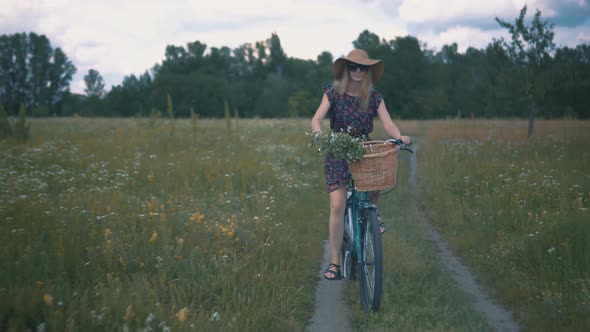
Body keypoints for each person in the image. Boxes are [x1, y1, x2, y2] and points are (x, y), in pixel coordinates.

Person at [310, 49, 411, 280]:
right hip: (337, 148)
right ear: (346, 69)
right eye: (353, 67)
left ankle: (372, 215)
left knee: (377, 179)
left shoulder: (374, 97)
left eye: (362, 68)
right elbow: (316, 118)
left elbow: (388, 123)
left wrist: (400, 136)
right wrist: (319, 135)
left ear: (368, 72)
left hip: (363, 150)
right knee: (337, 204)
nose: (357, 71)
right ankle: (335, 263)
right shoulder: (333, 92)